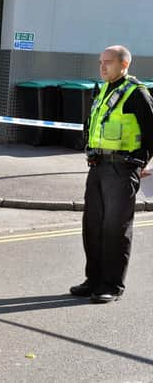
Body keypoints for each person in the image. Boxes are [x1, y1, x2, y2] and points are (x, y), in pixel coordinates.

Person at [70, 45, 153, 303]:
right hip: (97, 166)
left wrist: (144, 163)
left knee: (115, 229)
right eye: (100, 62)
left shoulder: (137, 93)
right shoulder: (104, 89)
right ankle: (93, 279)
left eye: (108, 62)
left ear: (124, 65)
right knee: (92, 226)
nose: (102, 66)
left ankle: (112, 284)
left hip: (122, 167)